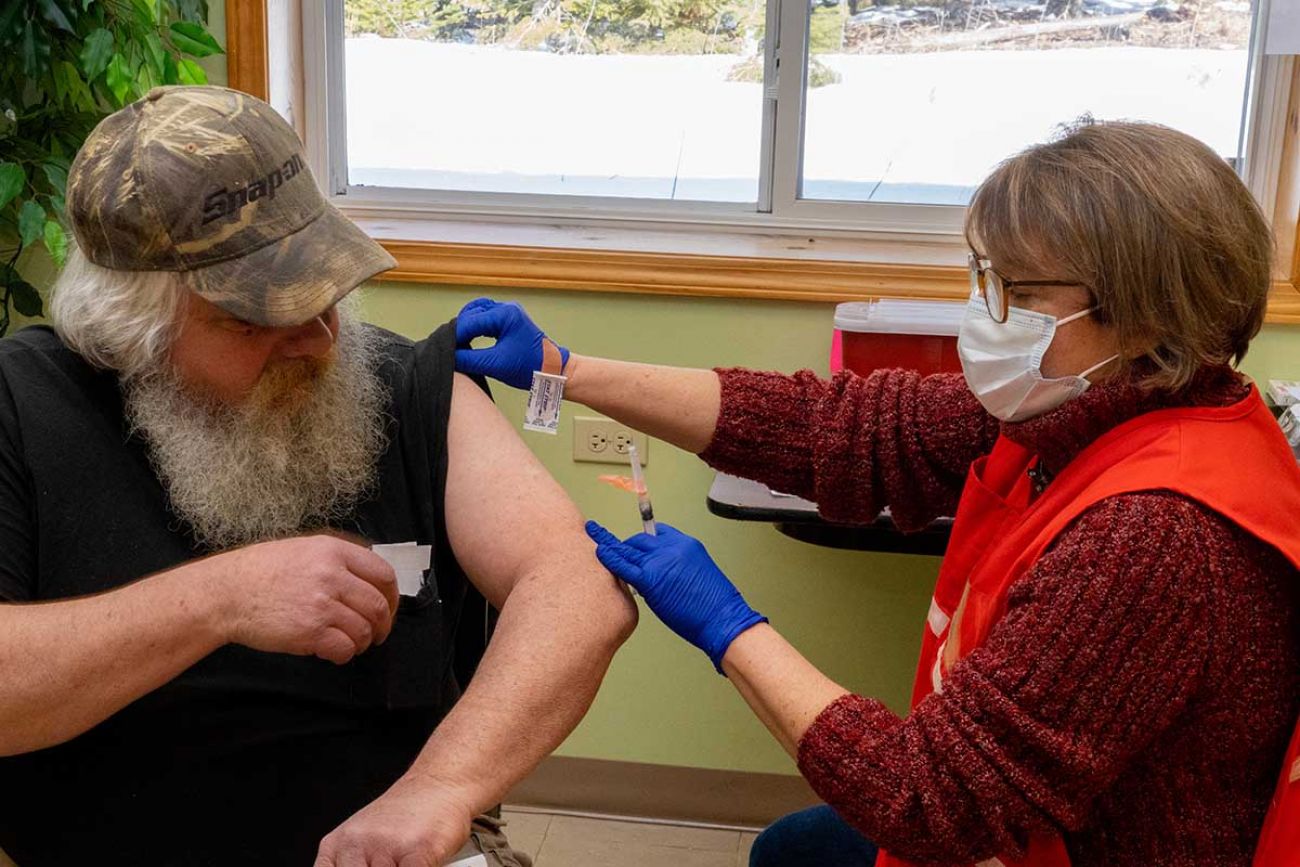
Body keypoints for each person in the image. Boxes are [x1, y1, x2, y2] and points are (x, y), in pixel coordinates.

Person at [454, 120, 1300, 866]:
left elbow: (928, 803)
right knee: (794, 848)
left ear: (1150, 315)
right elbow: (841, 430)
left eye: (1022, 293)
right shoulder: (1098, 404)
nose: (988, 313)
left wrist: (726, 625)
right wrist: (565, 372)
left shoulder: (1155, 537)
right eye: (985, 278)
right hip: (1041, 820)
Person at [0, 85, 637, 866]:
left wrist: (438, 789)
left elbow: (580, 586)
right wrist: (218, 599)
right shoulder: (21, 406)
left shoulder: (402, 386)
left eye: (326, 292)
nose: (319, 339)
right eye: (256, 315)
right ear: (133, 323)